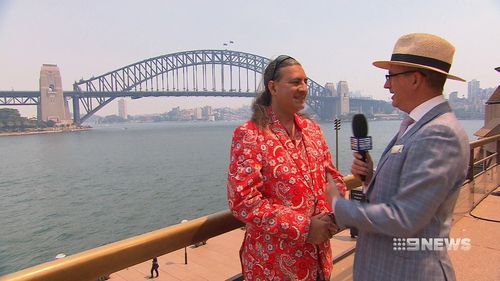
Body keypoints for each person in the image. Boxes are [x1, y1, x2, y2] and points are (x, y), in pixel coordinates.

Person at [329, 33, 470, 281]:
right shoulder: (418, 124)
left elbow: (405, 218)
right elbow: (412, 192)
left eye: (390, 77)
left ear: (415, 79)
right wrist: (372, 177)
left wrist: (337, 204)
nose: (386, 86)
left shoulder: (439, 132)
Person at [227, 55, 347, 281]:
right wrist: (303, 226)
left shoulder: (312, 130)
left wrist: (334, 212)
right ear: (272, 87)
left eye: (305, 81)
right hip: (274, 265)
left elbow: (332, 177)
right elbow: (242, 200)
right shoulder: (250, 134)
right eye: (295, 82)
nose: (303, 88)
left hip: (319, 260)